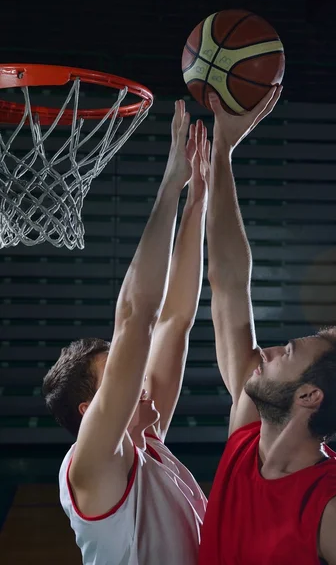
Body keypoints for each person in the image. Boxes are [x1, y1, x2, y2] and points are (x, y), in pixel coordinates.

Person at [198, 87, 336, 565]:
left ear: (308, 397)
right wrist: (222, 151)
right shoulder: (247, 437)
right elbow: (227, 283)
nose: (265, 353)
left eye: (286, 355)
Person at [42, 101, 210, 565]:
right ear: (89, 411)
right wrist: (170, 187)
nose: (136, 377)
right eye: (118, 376)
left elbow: (174, 322)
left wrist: (197, 203)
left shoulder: (146, 441)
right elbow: (138, 318)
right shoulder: (91, 467)